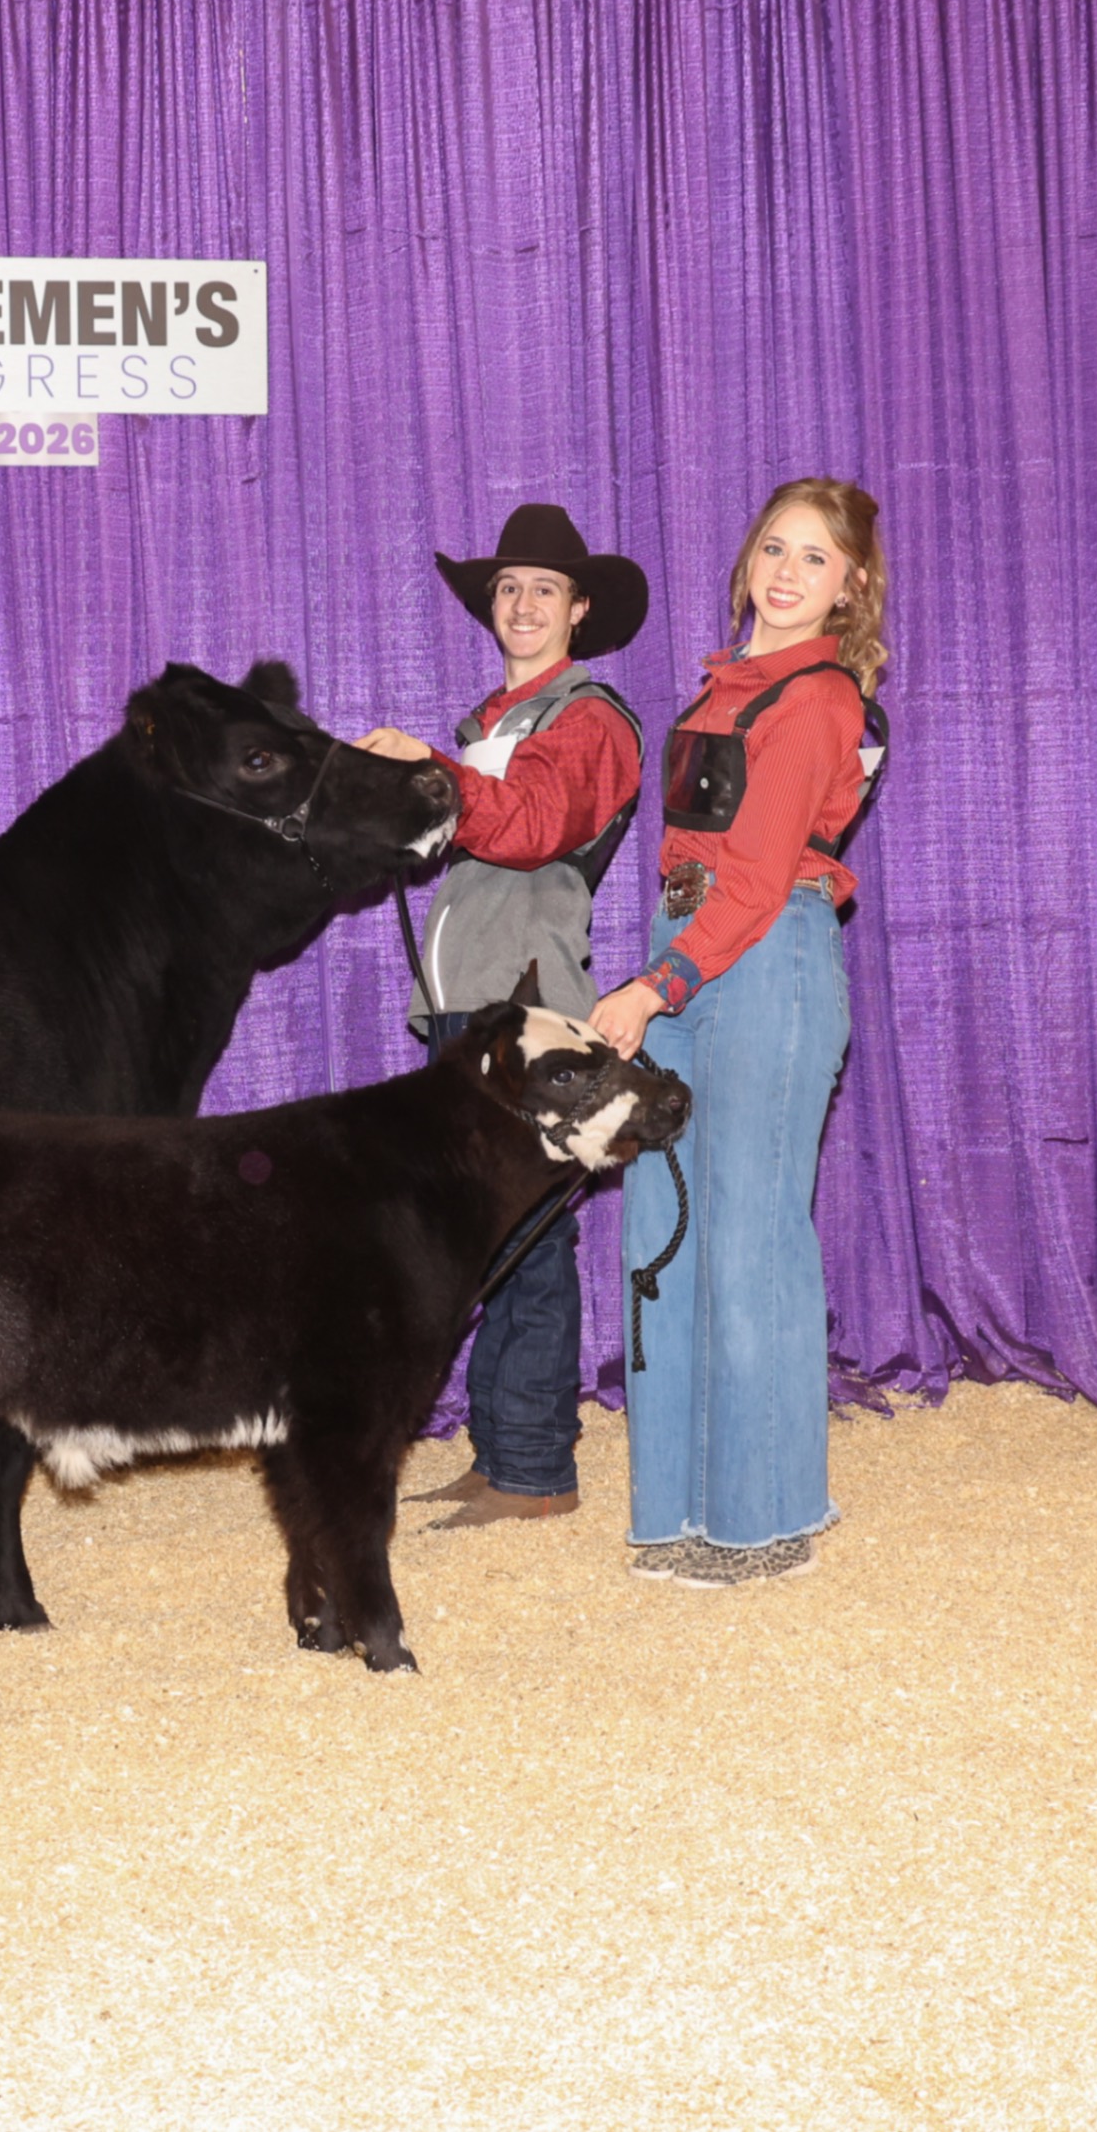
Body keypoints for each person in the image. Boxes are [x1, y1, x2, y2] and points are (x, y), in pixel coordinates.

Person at [587, 478, 890, 1589]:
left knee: (751, 1240)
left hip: (763, 969)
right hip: (692, 958)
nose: (788, 571)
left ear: (852, 584)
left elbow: (758, 880)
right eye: (775, 547)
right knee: (663, 1234)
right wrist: (666, 973)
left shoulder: (817, 699)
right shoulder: (725, 691)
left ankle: (764, 1519)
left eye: (817, 558)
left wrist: (653, 984)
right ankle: (676, 1507)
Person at [356, 504, 649, 1529]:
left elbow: (530, 828)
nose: (522, 603)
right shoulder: (497, 721)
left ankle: (534, 1468)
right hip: (468, 1009)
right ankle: (500, 1452)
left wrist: (431, 773)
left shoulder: (591, 717)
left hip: (526, 1015)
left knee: (522, 1234)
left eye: (543, 588)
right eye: (507, 589)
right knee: (481, 1237)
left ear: (579, 607)